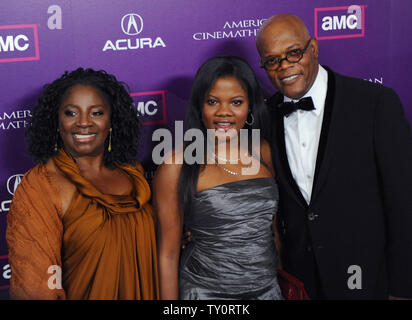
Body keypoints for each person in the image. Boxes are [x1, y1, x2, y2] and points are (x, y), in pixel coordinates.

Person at [256, 13, 412, 299]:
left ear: (313, 48)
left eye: (293, 53)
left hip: (368, 279)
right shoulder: (264, 118)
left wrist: (403, 288)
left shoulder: (374, 104)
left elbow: (404, 203)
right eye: (272, 60)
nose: (284, 67)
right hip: (302, 282)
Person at [6, 68, 159, 299]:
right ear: (57, 122)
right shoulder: (41, 186)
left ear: (112, 120)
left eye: (96, 113)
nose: (84, 123)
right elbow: (33, 286)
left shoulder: (133, 172)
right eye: (71, 113)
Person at [153, 56, 283, 300]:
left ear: (250, 107)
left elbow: (273, 232)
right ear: (200, 106)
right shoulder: (176, 164)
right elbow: (167, 255)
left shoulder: (262, 150)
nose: (224, 112)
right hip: (206, 294)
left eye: (236, 102)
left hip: (268, 292)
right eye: (212, 101)